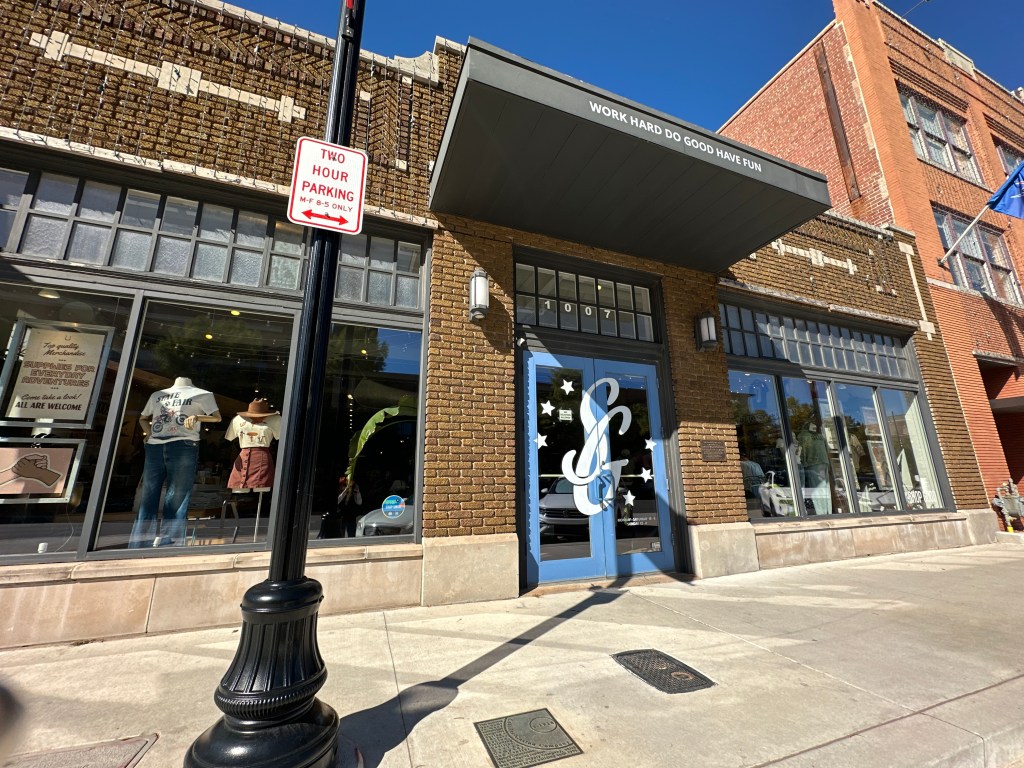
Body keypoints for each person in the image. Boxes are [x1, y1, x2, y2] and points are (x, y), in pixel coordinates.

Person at [129, 377, 220, 547]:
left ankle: (170, 541)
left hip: (184, 443)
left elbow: (217, 417)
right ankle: (140, 542)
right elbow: (142, 418)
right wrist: (148, 433)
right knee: (149, 494)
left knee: (177, 494)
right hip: (155, 445)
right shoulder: (157, 395)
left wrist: (197, 417)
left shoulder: (203, 394)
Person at [224, 398, 281, 491]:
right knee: (238, 489)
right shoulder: (237, 419)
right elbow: (230, 437)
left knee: (261, 489)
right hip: (242, 458)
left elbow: (280, 437)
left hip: (262, 459)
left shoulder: (275, 419)